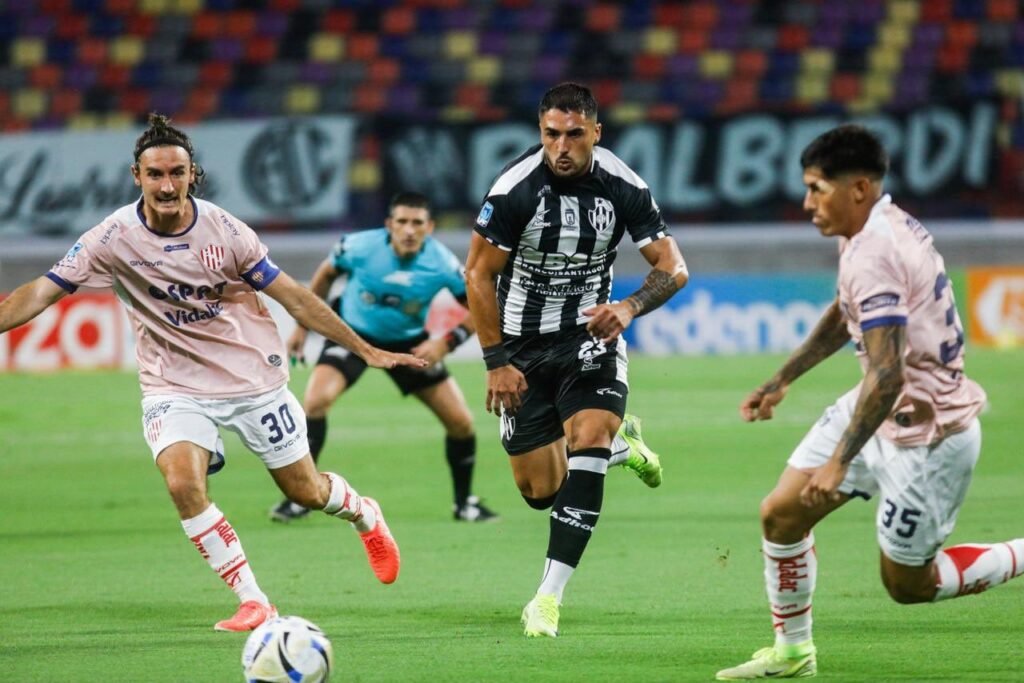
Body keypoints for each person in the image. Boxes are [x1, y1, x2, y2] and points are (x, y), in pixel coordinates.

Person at [0, 113, 424, 633]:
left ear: (192, 174)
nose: (167, 185)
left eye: (177, 173)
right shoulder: (111, 238)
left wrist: (364, 349)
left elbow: (292, 296)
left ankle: (363, 512)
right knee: (183, 482)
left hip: (252, 380)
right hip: (172, 384)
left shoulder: (226, 231)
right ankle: (254, 600)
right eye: (155, 174)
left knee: (306, 492)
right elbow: (40, 292)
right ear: (137, 176)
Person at [715, 124, 1024, 680]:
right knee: (782, 514)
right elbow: (846, 311)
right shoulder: (869, 229)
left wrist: (839, 462)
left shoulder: (877, 250)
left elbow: (888, 371)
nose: (807, 203)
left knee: (909, 585)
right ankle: (793, 652)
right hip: (880, 406)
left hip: (927, 434)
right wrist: (784, 377)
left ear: (858, 188)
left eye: (817, 189)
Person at [465, 82, 689, 638]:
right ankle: (621, 448)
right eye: (551, 134)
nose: (561, 147)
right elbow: (478, 274)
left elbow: (673, 266)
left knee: (588, 437)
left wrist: (629, 307)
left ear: (596, 132)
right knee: (540, 491)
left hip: (589, 337)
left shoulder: (622, 185)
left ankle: (547, 598)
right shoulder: (515, 189)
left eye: (574, 134)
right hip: (520, 348)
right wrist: (496, 362)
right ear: (540, 132)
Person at [271, 191, 499, 524]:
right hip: (353, 336)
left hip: (408, 345)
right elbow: (326, 274)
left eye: (417, 223)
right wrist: (302, 328)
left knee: (461, 422)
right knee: (316, 403)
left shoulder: (441, 263)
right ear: (389, 224)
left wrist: (445, 343)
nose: (409, 230)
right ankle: (300, 499)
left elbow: (478, 304)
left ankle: (465, 504)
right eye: (402, 222)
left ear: (430, 227)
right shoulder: (358, 247)